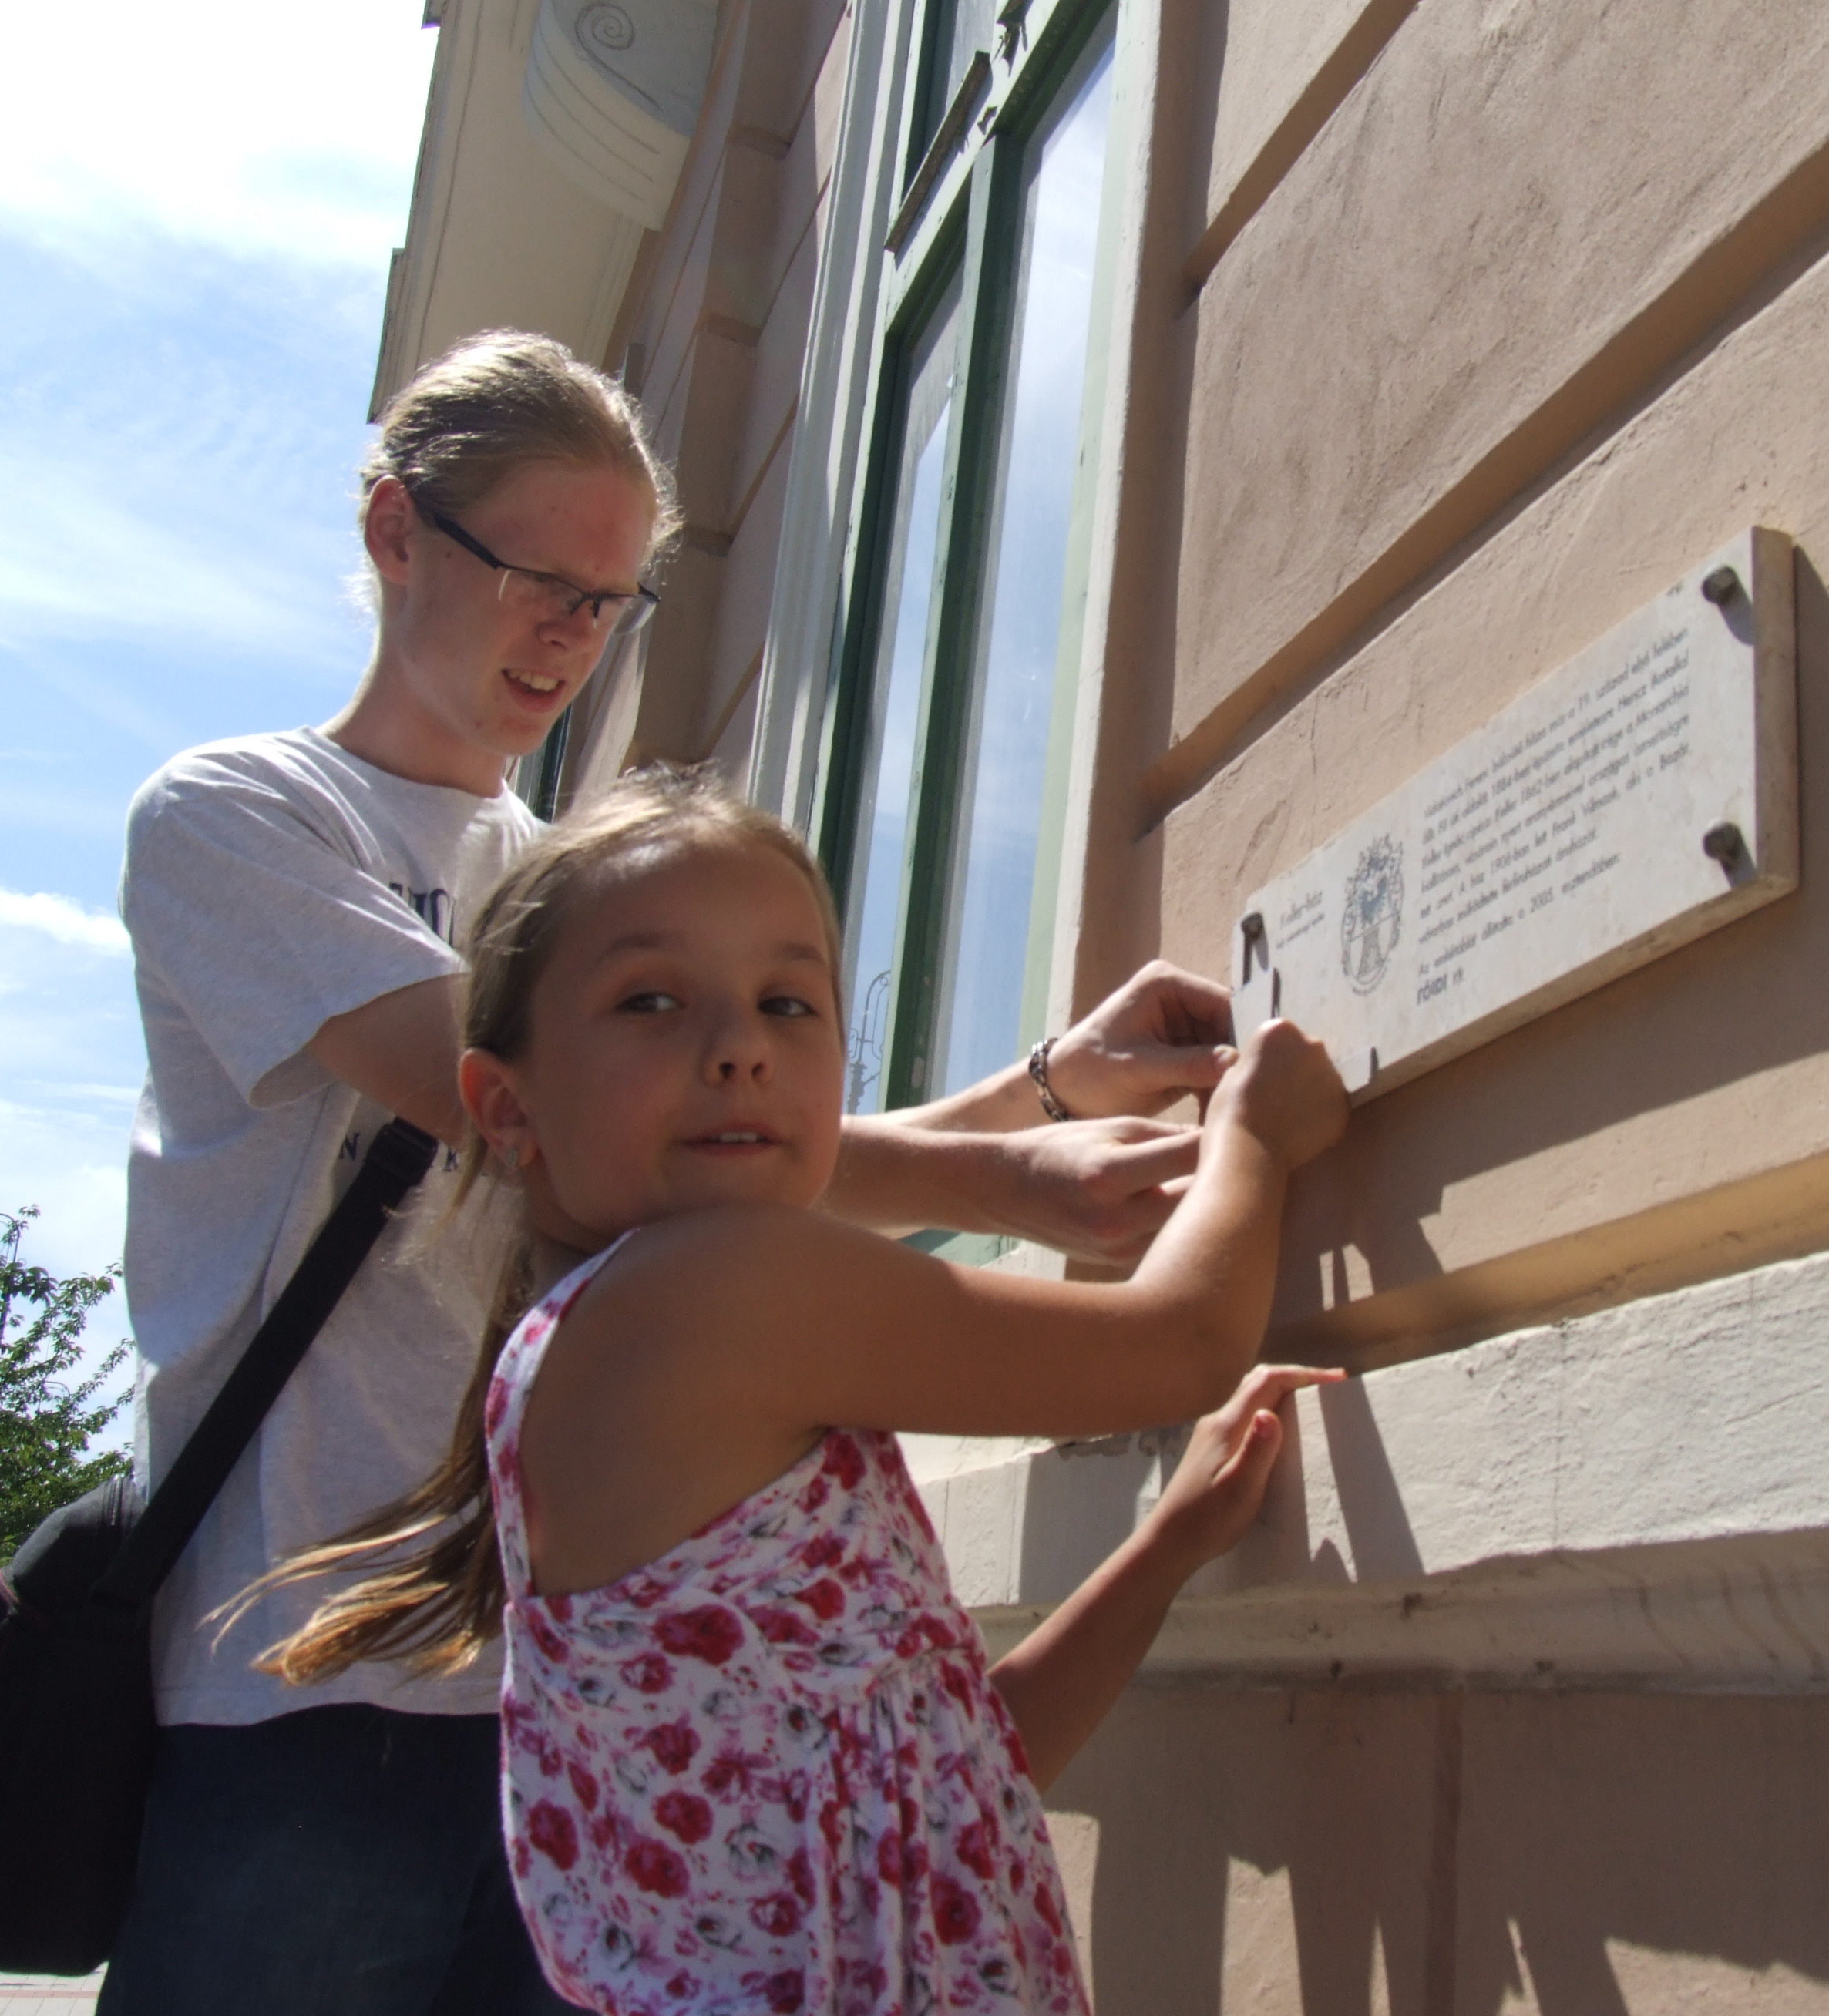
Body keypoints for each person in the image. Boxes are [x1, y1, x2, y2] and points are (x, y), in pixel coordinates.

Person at [103, 331, 1245, 2015]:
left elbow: (724, 1169)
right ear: (396, 530)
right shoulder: (243, 814)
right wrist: (1012, 1173)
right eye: (536, 580)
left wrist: (1046, 1087)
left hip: (586, 1707)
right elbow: (544, 1122)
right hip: (306, 1690)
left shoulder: (559, 867)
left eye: (608, 599)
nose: (571, 636)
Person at [256, 767, 1348, 2014]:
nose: (739, 1049)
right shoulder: (715, 1288)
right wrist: (1254, 1131)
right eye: (651, 1001)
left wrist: (1163, 1550)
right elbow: (1183, 1346)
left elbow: (955, 1781)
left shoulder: (598, 1356)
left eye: (788, 1002)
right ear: (506, 1107)